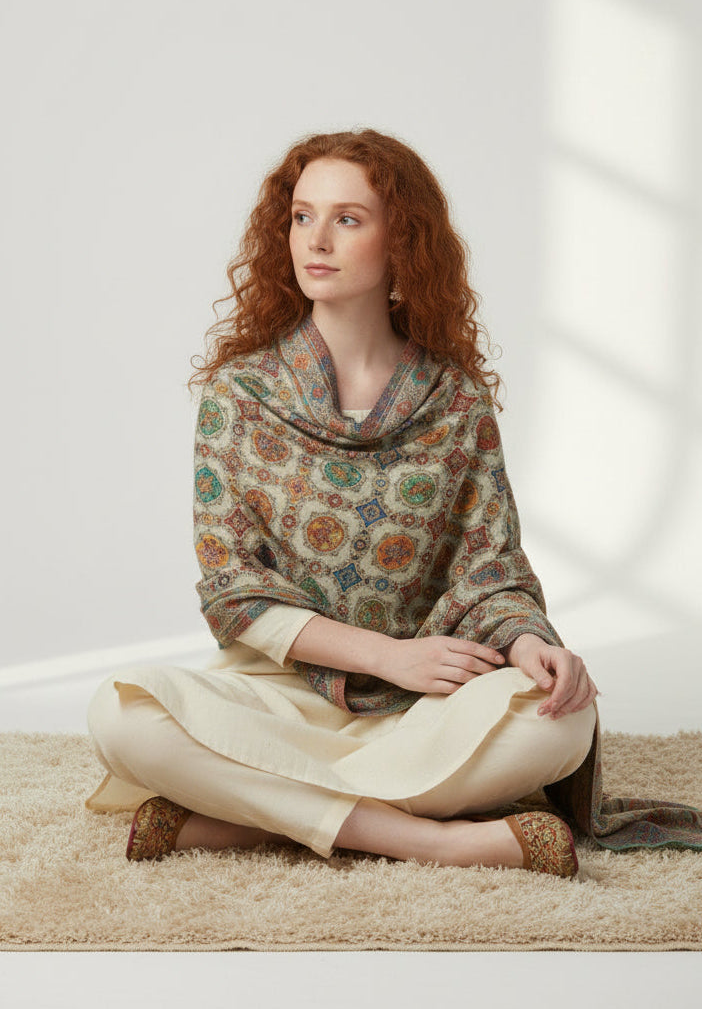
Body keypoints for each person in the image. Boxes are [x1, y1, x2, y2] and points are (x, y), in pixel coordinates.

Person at [85, 128, 702, 876]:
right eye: (302, 216)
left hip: (429, 707)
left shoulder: (455, 401)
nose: (317, 239)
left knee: (559, 728)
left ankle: (238, 815)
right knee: (123, 715)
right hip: (282, 694)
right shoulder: (239, 396)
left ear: (401, 242)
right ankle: (435, 838)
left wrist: (531, 643)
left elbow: (490, 569)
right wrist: (387, 657)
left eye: (348, 218)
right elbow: (235, 594)